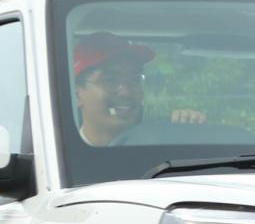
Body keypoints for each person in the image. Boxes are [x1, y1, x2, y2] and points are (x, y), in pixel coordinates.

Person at [72, 32, 205, 146]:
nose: (125, 92)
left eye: (134, 80)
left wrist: (190, 130)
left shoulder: (161, 148)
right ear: (77, 95)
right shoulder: (56, 160)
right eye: (110, 80)